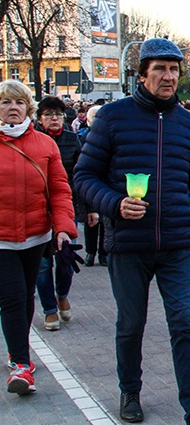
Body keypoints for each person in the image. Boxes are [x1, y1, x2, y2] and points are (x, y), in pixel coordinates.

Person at [74, 38, 190, 425]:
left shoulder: (188, 123)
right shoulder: (112, 117)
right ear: (142, 75)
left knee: (184, 324)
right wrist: (114, 203)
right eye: (160, 70)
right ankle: (130, 391)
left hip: (178, 244)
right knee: (130, 324)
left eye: (174, 70)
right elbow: (83, 177)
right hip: (128, 243)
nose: (168, 77)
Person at [1, 80, 78, 396]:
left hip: (36, 237)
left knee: (26, 295)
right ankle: (21, 364)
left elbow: (60, 189)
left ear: (28, 108)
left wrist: (63, 227)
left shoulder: (46, 145)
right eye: (5, 102)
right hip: (2, 239)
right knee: (14, 296)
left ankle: (16, 350)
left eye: (18, 102)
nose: (13, 108)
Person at [34, 97, 95, 331]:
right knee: (41, 264)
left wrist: (91, 209)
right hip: (39, 210)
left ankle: (62, 294)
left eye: (58, 114)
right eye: (48, 114)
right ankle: (49, 309)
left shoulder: (73, 140)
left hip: (66, 207)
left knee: (66, 259)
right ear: (39, 118)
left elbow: (83, 176)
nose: (54, 119)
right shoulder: (33, 141)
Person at [80, 106, 106, 267]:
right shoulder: (84, 138)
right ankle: (90, 252)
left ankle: (103, 254)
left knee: (105, 224)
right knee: (91, 222)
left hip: (106, 184)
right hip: (91, 185)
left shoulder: (109, 136)